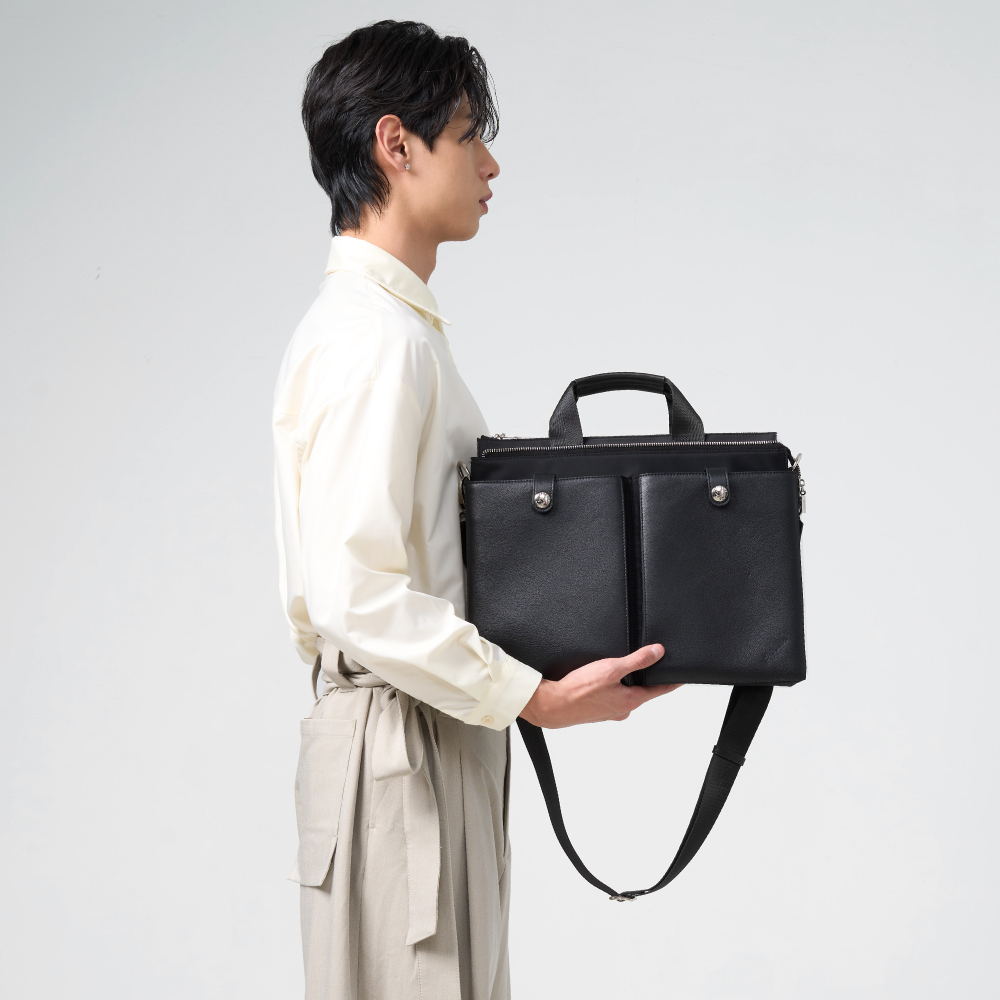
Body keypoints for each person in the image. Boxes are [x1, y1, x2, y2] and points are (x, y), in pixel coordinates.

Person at [273, 20, 679, 1000]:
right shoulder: (375, 342)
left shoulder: (388, 331)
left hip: (423, 729)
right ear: (395, 144)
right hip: (402, 739)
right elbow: (358, 594)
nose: (490, 165)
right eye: (467, 135)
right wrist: (535, 697)